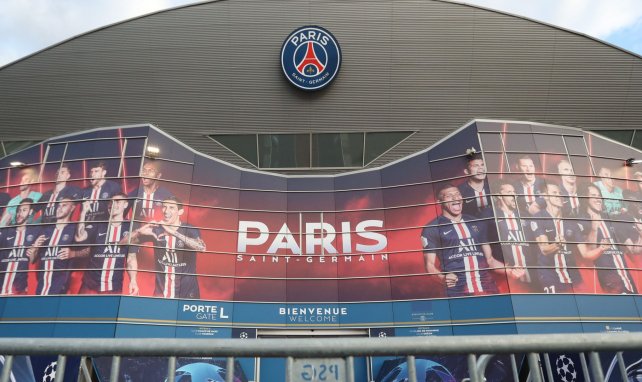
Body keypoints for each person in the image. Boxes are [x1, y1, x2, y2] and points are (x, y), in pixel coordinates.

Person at [422, 183, 523, 297]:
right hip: (458, 292)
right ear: (440, 202)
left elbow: (490, 260)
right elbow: (429, 265)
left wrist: (509, 271)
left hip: (488, 289)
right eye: (449, 196)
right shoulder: (432, 228)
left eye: (458, 194)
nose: (455, 198)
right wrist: (442, 278)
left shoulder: (476, 223)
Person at [129, 196, 205, 299]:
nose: (166, 210)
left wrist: (174, 232)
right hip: (161, 294)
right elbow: (123, 243)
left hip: (188, 294)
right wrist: (139, 231)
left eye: (171, 207)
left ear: (180, 212)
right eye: (164, 207)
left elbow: (201, 248)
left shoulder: (190, 229)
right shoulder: (156, 229)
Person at [577, 184, 636, 294]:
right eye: (593, 195)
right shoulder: (583, 220)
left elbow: (628, 248)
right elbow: (589, 252)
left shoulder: (608, 218)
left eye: (599, 195)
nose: (598, 198)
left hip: (625, 274)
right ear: (585, 198)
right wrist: (594, 229)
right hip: (610, 278)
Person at [75, 193, 138, 295]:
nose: (113, 205)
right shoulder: (98, 224)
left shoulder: (130, 228)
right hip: (90, 285)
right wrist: (83, 214)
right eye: (111, 202)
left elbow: (131, 258)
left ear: (126, 205)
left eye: (117, 202)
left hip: (114, 288)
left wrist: (133, 281)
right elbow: (79, 237)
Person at [530, 183, 584, 294]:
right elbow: (544, 249)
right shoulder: (538, 217)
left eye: (559, 193)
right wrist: (557, 244)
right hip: (550, 274)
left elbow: (585, 253)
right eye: (554, 193)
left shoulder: (570, 222)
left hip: (572, 274)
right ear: (545, 196)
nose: (559, 195)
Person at [27, 197, 78, 295]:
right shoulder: (46, 230)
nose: (59, 208)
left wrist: (73, 253)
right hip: (41, 286)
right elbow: (32, 260)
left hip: (61, 286)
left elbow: (87, 251)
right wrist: (35, 247)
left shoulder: (74, 228)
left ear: (72, 208)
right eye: (59, 206)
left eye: (64, 205)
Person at [494, 183, 532, 285]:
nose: (513, 195)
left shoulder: (524, 215)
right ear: (499, 195)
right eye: (509, 192)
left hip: (532, 272)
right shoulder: (491, 216)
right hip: (508, 277)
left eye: (514, 192)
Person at [0, 198, 40, 295]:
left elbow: (32, 260)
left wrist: (34, 250)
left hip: (20, 289)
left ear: (30, 212)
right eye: (19, 210)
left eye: (24, 210)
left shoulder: (35, 232)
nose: (20, 213)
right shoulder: (6, 231)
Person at [458, 154, 492, 219]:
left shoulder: (493, 187)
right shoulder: (459, 192)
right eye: (476, 165)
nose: (481, 168)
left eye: (482, 165)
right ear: (466, 171)